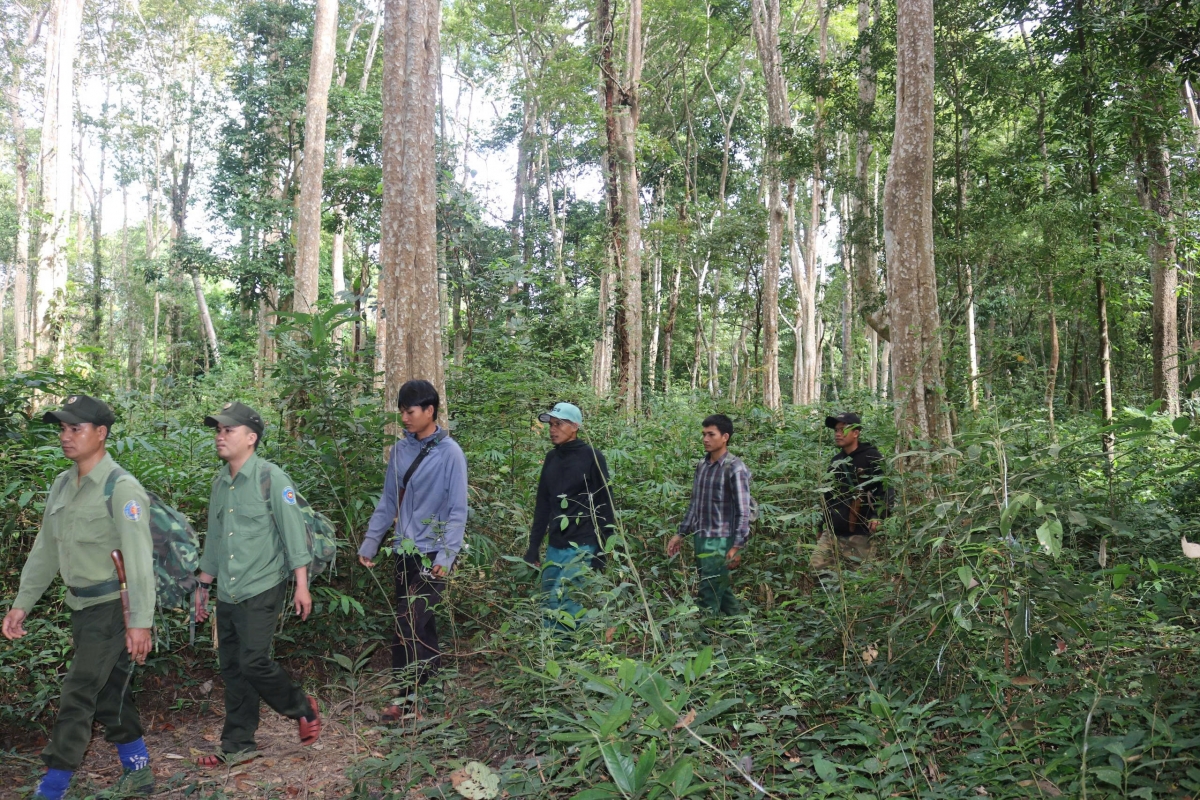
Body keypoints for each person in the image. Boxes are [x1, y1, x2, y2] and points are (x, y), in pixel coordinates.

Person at [3, 395, 156, 799]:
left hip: (112, 608)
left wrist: (140, 622)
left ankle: (52, 788)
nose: (65, 436)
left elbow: (140, 563)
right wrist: (22, 603)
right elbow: (45, 551)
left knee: (79, 690)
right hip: (81, 608)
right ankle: (138, 770)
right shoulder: (62, 484)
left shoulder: (122, 489)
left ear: (101, 433)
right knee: (109, 692)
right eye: (63, 428)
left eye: (76, 428)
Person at [193, 402, 321, 767]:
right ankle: (238, 745)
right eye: (217, 430)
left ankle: (301, 706)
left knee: (252, 661)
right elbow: (215, 538)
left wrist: (302, 585)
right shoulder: (221, 481)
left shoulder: (271, 478)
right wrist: (204, 585)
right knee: (232, 667)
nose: (220, 436)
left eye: (228, 430)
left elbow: (293, 532)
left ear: (251, 438)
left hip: (263, 584)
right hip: (229, 589)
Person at [358, 380, 468, 721]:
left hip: (433, 553)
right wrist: (371, 541)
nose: (405, 418)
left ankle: (418, 701)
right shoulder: (400, 451)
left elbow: (457, 509)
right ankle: (414, 698)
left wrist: (447, 557)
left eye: (411, 411)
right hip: (403, 550)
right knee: (410, 626)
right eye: (402, 411)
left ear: (429, 411)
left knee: (414, 625)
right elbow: (389, 500)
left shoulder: (451, 454)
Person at [524, 402, 615, 630]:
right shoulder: (551, 459)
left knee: (567, 602)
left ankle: (565, 655)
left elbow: (605, 504)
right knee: (548, 602)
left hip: (582, 546)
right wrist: (533, 547)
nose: (552, 430)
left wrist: (603, 549)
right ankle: (554, 656)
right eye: (551, 425)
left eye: (559, 424)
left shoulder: (592, 457)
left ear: (575, 426)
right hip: (555, 546)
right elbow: (543, 505)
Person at [667, 414, 752, 617]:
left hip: (721, 539)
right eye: (704, 434)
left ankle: (704, 639)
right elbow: (695, 503)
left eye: (711, 434)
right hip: (701, 536)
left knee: (709, 589)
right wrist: (681, 533)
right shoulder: (702, 466)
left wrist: (737, 545)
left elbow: (743, 510)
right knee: (719, 587)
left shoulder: (735, 468)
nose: (705, 439)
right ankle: (743, 634)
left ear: (725, 437)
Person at [810, 412, 889, 572]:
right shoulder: (836, 461)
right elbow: (829, 495)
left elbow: (885, 487)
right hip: (834, 529)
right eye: (836, 430)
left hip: (860, 531)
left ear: (856, 433)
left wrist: (878, 517)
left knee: (859, 576)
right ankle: (829, 596)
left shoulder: (871, 456)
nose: (838, 434)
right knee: (817, 567)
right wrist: (822, 524)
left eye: (842, 430)